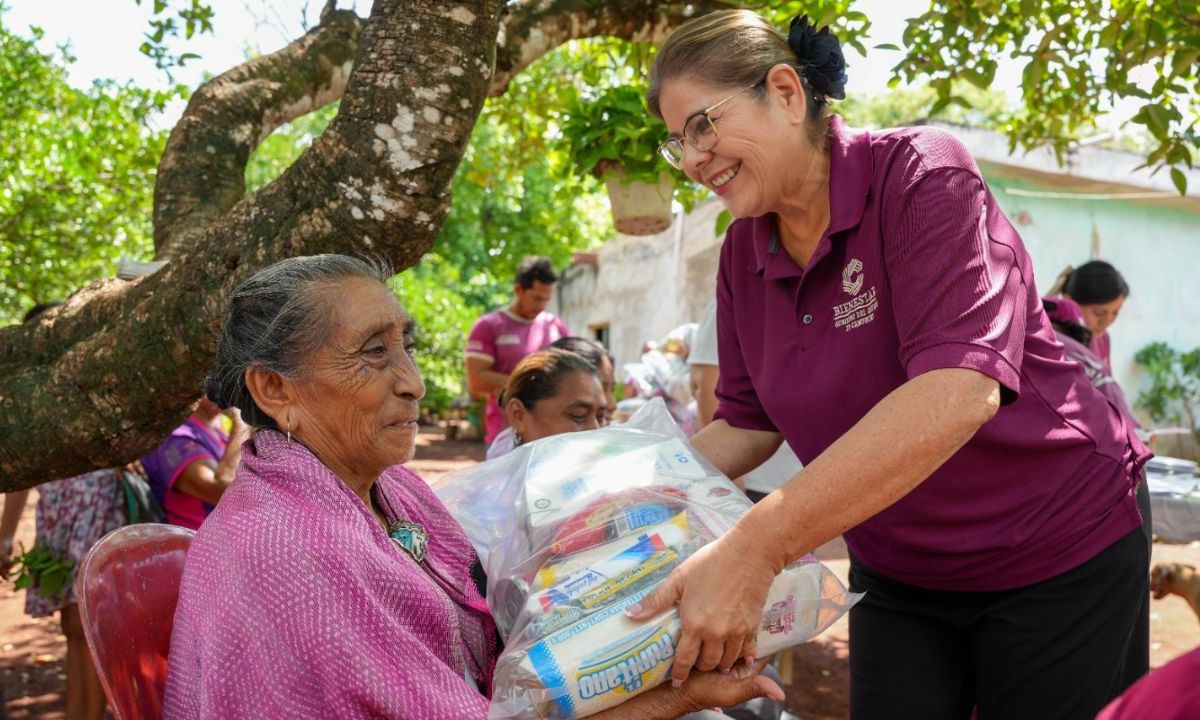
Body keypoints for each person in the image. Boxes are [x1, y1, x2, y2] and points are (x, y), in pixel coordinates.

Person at [628, 10, 1152, 719]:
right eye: (675, 143)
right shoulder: (742, 254)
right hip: (901, 565)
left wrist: (756, 547)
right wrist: (627, 499)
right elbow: (747, 424)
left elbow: (959, 391)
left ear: (785, 92)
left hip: (1056, 542)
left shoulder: (921, 175)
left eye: (701, 126)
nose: (690, 160)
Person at [164, 254, 782, 719]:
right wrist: (677, 696)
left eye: (405, 346)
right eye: (374, 353)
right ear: (275, 389)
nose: (413, 382)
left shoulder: (390, 491)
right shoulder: (293, 550)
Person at [5, 302, 126, 720]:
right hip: (60, 516)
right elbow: (20, 467)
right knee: (73, 627)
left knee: (85, 625)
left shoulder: (89, 375)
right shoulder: (28, 393)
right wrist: (5, 535)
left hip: (93, 508)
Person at [688, 301, 801, 503]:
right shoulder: (730, 305)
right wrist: (733, 484)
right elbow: (708, 391)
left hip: (803, 480)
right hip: (756, 480)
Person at [465, 256, 570, 445]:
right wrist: (534, 384)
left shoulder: (556, 327)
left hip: (551, 432)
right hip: (505, 433)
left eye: (546, 299)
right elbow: (477, 381)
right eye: (537, 298)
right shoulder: (489, 326)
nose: (542, 306)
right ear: (519, 289)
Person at [486, 340, 614, 460]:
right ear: (518, 415)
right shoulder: (498, 481)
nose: (595, 430)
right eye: (578, 415)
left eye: (600, 417)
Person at [140, 395, 247, 531]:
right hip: (197, 545)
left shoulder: (218, 426)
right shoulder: (175, 437)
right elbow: (224, 490)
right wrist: (242, 425)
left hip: (227, 541)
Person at [1054, 260, 1130, 373]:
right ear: (1068, 302)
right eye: (1099, 313)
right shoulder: (1051, 339)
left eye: (1115, 312)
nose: (1106, 322)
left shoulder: (1103, 339)